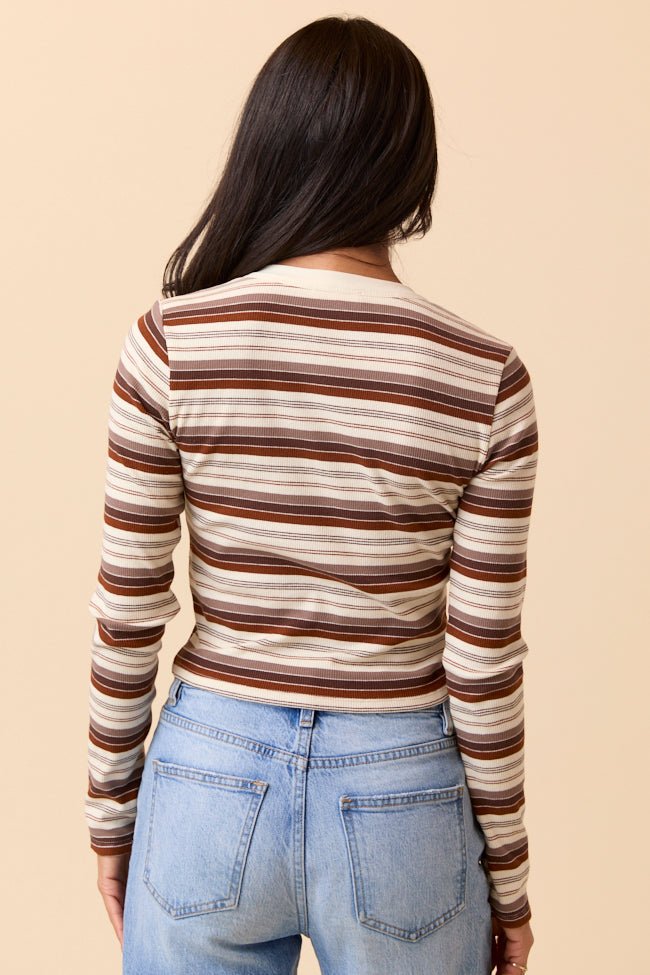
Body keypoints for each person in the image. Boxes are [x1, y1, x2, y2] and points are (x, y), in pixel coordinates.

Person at [85, 14, 537, 975]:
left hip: (208, 772)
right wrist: (509, 876)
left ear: (268, 145)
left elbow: (128, 611)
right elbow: (483, 661)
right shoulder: (484, 376)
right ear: (413, 166)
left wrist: (112, 810)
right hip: (402, 790)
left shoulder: (170, 344)